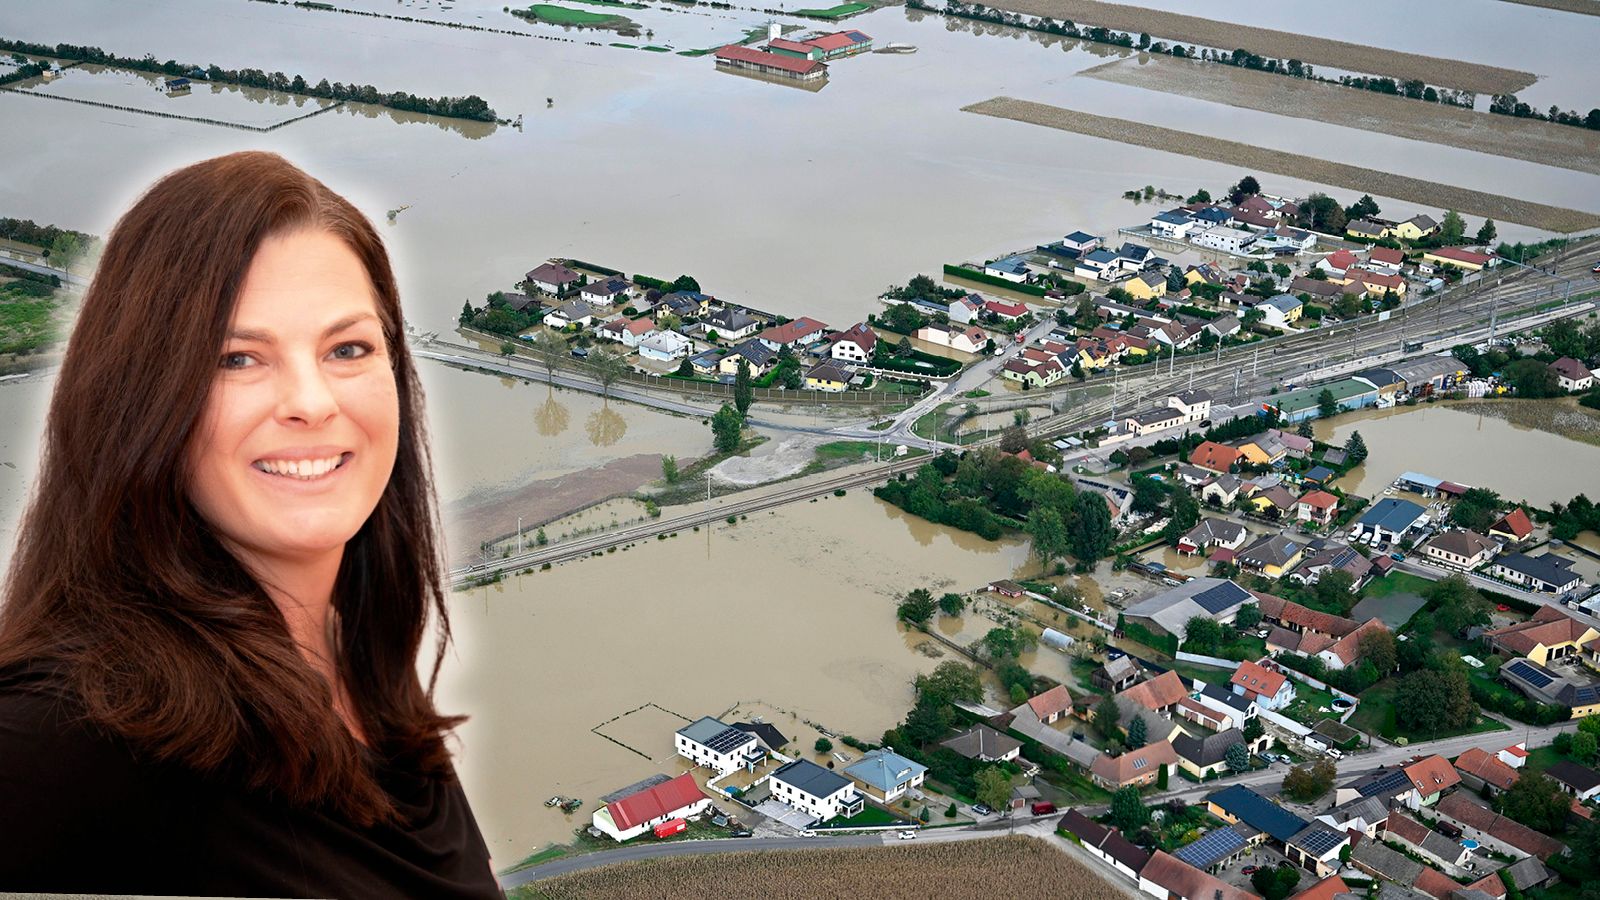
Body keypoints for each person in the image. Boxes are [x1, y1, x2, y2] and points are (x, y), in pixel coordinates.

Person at [0, 151, 501, 898]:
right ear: (140, 396)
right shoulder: (80, 727)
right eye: (237, 358)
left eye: (348, 348)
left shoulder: (354, 653)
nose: (311, 400)